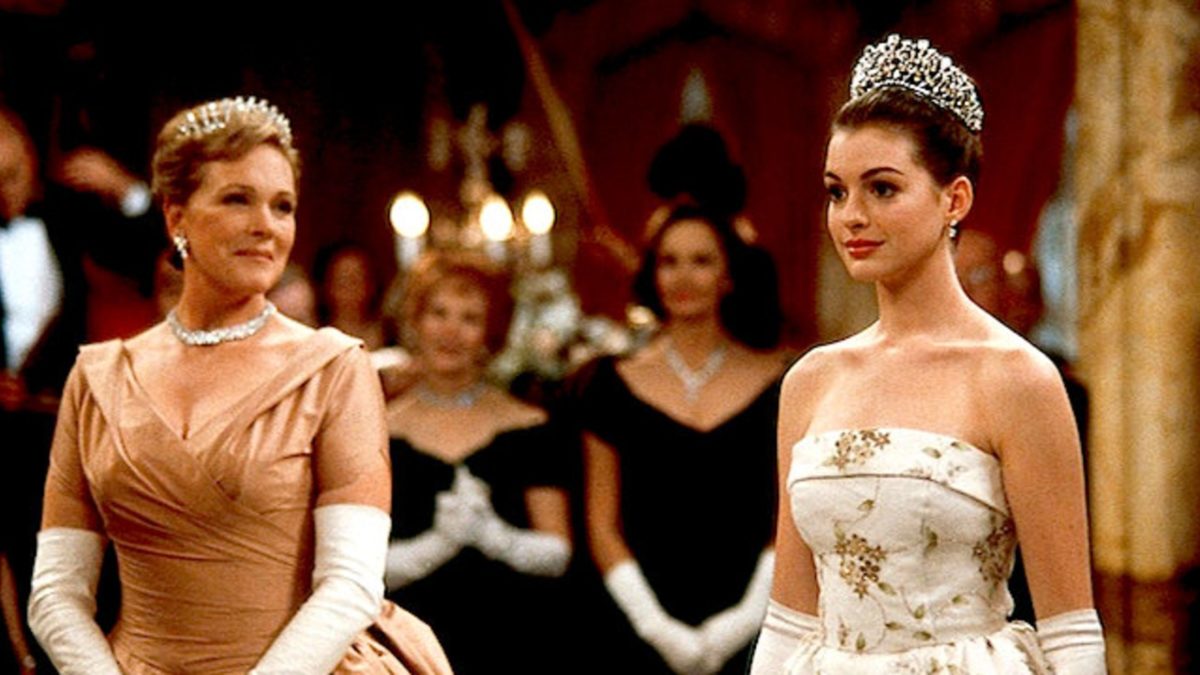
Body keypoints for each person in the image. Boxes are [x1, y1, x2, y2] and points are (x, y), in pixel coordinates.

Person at [27, 96, 449, 674]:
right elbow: (55, 593)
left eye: (283, 206)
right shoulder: (98, 378)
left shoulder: (332, 369)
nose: (266, 226)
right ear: (177, 218)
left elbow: (351, 584)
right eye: (237, 199)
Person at [750, 35, 1105, 674]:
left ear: (954, 200)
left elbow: (1071, 632)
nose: (851, 216)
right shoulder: (811, 380)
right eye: (837, 192)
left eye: (882, 189)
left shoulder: (1017, 378)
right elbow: (789, 615)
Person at [576, 203, 789, 674]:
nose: (683, 277)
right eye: (669, 262)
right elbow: (602, 527)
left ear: (728, 275)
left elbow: (788, 521)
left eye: (701, 261)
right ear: (652, 274)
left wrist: (741, 624)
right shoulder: (607, 385)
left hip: (755, 634)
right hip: (637, 632)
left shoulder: (781, 383)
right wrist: (657, 629)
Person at [383, 250, 575, 674]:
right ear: (416, 321)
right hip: (411, 647)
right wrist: (435, 545)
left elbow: (559, 554)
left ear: (491, 333)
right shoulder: (379, 430)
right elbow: (360, 565)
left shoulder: (530, 427)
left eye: (469, 318)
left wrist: (495, 537)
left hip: (515, 639)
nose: (450, 331)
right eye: (439, 313)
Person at [315, 242, 386, 351]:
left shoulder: (389, 334)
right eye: (342, 281)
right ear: (327, 286)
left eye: (355, 280)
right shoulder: (316, 338)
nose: (350, 289)